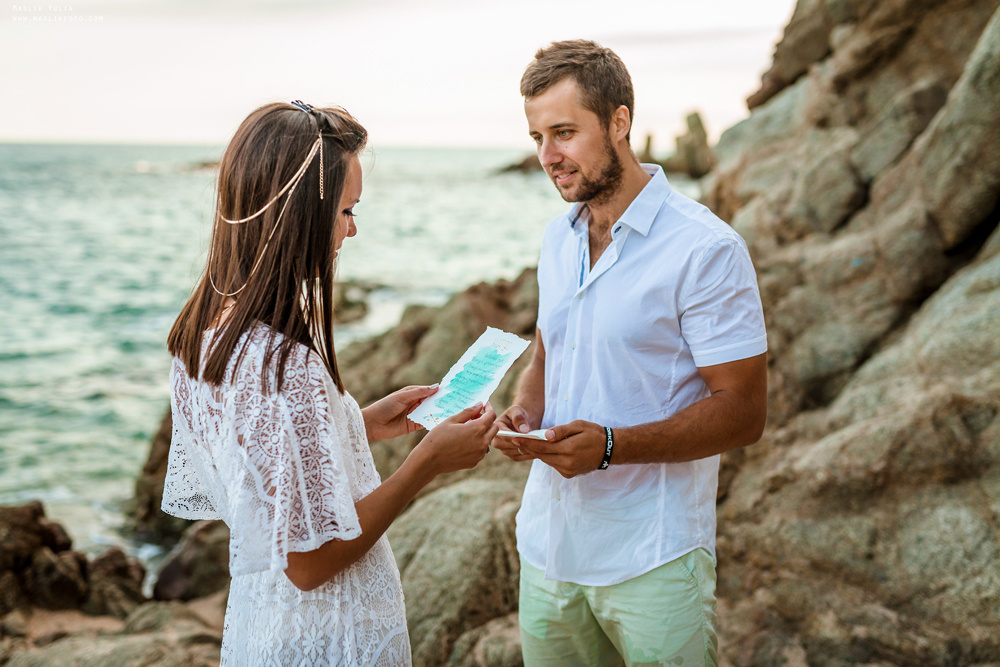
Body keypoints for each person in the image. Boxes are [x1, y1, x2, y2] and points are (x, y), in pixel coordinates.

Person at [162, 101, 498, 666]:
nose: (352, 228)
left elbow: (261, 475)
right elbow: (310, 561)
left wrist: (352, 423)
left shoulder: (203, 337)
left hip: (266, 629)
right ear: (301, 215)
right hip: (327, 641)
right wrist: (426, 463)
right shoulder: (281, 361)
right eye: (346, 210)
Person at [493, 40, 768, 666]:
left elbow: (744, 412)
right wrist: (521, 414)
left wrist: (612, 447)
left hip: (653, 557)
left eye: (565, 132)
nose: (548, 157)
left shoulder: (705, 250)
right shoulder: (557, 239)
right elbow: (548, 350)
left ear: (620, 121)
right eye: (538, 136)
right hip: (547, 548)